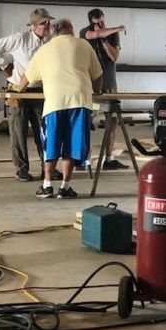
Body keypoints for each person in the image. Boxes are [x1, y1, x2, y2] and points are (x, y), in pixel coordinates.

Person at [20, 19, 103, 198]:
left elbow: (26, 78)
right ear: (71, 29)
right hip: (79, 100)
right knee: (72, 145)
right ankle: (65, 187)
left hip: (55, 102)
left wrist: (17, 89)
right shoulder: (84, 45)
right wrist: (97, 91)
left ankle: (47, 185)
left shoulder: (44, 49)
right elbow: (97, 75)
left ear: (53, 32)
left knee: (51, 144)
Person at [0, 8, 63, 182]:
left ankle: (48, 167)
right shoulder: (20, 39)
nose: (48, 26)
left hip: (40, 91)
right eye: (44, 23)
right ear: (33, 26)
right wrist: (4, 65)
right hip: (18, 91)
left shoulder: (50, 41)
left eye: (48, 22)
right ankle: (21, 168)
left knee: (44, 130)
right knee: (18, 130)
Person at [79, 9, 129, 171]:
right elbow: (92, 35)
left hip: (109, 83)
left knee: (112, 120)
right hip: (90, 84)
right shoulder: (84, 32)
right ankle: (82, 159)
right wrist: (116, 28)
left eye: (102, 21)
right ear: (91, 22)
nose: (101, 24)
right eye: (98, 22)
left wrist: (104, 39)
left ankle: (109, 158)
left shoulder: (112, 35)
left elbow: (114, 56)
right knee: (85, 120)